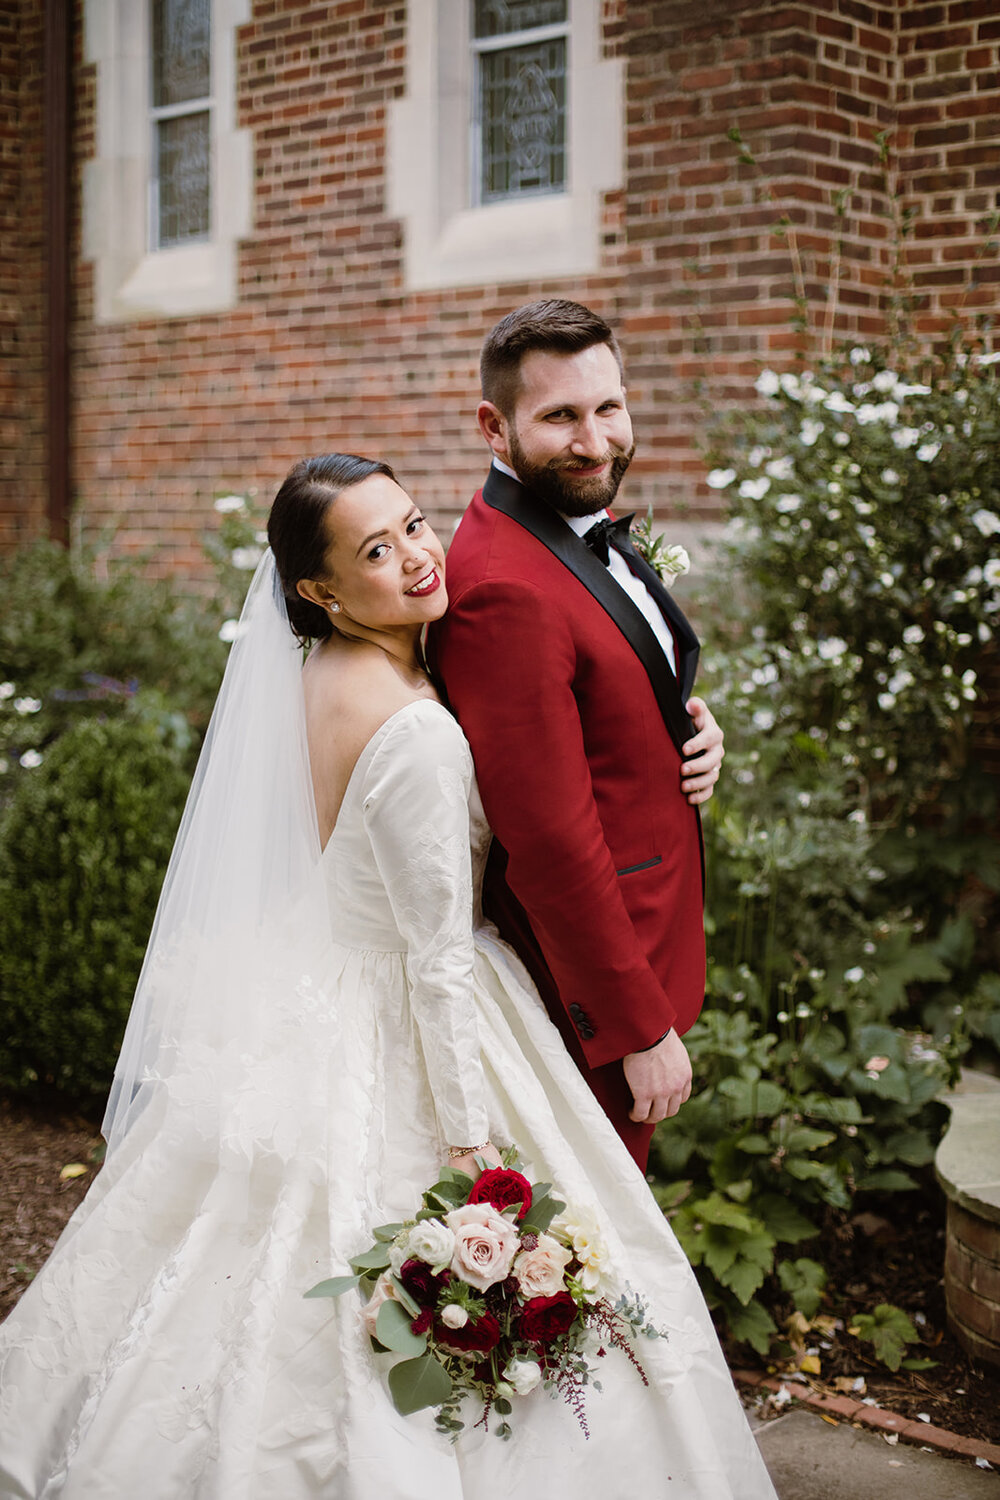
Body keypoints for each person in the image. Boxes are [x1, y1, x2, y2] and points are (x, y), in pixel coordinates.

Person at [0, 455, 776, 1499]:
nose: (416, 556)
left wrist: (688, 728)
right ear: (317, 591)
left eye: (414, 524)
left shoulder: (332, 672)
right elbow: (439, 960)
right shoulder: (410, 727)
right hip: (415, 1009)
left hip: (322, 982)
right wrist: (470, 1151)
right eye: (376, 550)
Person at [430, 299, 722, 1169]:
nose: (596, 442)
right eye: (560, 417)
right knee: (588, 1255)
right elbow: (547, 837)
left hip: (650, 940)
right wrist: (633, 1025)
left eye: (609, 408)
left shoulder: (572, 529)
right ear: (495, 426)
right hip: (589, 995)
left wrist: (691, 729)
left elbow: (609, 693)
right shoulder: (499, 589)